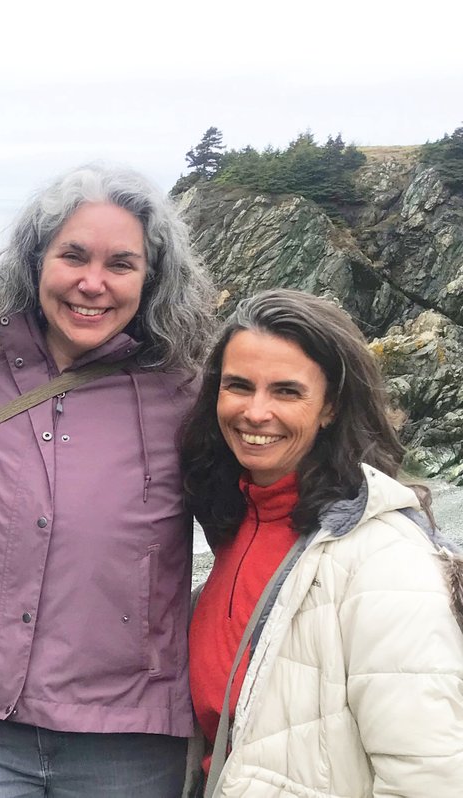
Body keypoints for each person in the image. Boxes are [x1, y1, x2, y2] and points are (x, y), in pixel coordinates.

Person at [0, 164, 215, 797]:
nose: (92, 283)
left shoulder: (188, 395)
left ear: (152, 278)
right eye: (72, 255)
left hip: (127, 741)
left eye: (121, 264)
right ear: (35, 260)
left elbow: (250, 529)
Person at [181, 288, 463, 796]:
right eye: (238, 386)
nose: (255, 412)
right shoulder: (238, 524)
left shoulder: (386, 560)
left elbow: (428, 773)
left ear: (331, 406)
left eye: (287, 391)